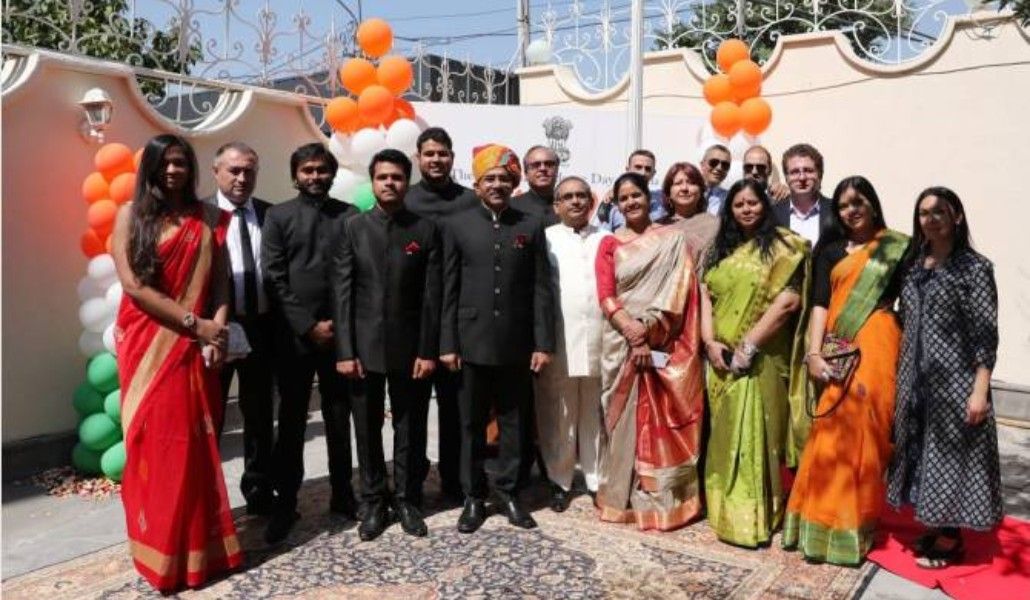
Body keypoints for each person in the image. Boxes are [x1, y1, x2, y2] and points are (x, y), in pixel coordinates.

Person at [110, 134, 241, 591]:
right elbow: (134, 286)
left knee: (193, 446)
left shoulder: (209, 218)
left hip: (195, 344)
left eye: (180, 162)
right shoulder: (130, 216)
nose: (172, 170)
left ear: (191, 167)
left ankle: (200, 551)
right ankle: (161, 552)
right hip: (147, 342)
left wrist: (216, 331)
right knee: (157, 445)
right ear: (150, 168)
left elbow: (221, 282)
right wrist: (194, 324)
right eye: (164, 163)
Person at [782, 176, 910, 565]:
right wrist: (814, 353)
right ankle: (819, 520)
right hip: (837, 347)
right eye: (842, 205)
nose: (851, 210)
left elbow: (913, 302)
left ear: (872, 204)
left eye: (858, 202)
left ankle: (854, 523)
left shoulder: (896, 247)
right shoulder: (831, 250)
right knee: (830, 430)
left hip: (879, 345)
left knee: (867, 430)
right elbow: (820, 303)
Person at [439, 143, 555, 533]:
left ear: (513, 183)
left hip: (516, 345)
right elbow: (448, 288)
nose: (497, 185)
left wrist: (542, 343)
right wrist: (447, 343)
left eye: (504, 179)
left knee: (514, 423)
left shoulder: (529, 225)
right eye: (489, 179)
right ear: (477, 185)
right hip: (469, 343)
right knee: (470, 424)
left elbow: (541, 288)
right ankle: (473, 496)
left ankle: (508, 492)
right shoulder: (457, 225)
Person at [886, 187, 1002, 568]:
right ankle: (936, 524)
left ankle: (951, 538)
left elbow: (986, 334)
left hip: (956, 382)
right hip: (916, 378)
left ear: (957, 217)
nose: (930, 219)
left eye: (939, 211)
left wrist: (979, 391)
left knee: (952, 455)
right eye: (924, 213)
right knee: (924, 452)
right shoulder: (915, 263)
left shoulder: (974, 268)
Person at [334, 149, 442, 542]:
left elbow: (432, 297)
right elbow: (342, 293)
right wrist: (345, 351)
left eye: (397, 177)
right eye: (383, 177)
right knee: (366, 428)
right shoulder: (353, 228)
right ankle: (374, 501)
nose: (390, 183)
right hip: (362, 349)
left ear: (406, 181)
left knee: (409, 426)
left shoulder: (425, 230)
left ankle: (408, 499)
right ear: (373, 181)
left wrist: (427, 350)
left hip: (411, 349)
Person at [593, 172, 706, 531]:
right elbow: (605, 294)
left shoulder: (672, 240)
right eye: (624, 198)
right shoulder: (609, 243)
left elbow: (680, 293)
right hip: (620, 341)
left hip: (663, 341)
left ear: (649, 197)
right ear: (617, 204)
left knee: (659, 417)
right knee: (620, 419)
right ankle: (620, 497)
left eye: (636, 195)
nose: (631, 202)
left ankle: (662, 501)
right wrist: (632, 331)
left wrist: (649, 329)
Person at [701, 179, 810, 548]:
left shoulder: (785, 247)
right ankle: (724, 511)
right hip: (720, 360)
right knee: (724, 437)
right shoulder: (720, 249)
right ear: (729, 210)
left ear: (765, 205)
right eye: (739, 204)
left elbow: (788, 302)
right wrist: (709, 343)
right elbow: (706, 296)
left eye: (753, 203)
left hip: (759, 359)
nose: (746, 209)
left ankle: (753, 519)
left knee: (756, 439)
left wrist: (748, 347)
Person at [261, 143, 359, 544]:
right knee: (291, 422)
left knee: (339, 417)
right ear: (295, 176)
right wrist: (307, 326)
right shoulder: (278, 216)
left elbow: (357, 274)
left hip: (339, 336)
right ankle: (286, 502)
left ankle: (344, 494)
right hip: (293, 338)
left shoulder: (349, 216)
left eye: (322, 170)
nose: (315, 177)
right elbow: (274, 276)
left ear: (332, 174)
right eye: (307, 170)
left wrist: (337, 326)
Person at [404, 126, 475, 502]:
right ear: (418, 158)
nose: (436, 159)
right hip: (415, 321)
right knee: (413, 410)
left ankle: (455, 482)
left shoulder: (470, 201)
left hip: (459, 320)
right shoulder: (405, 199)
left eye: (442, 153)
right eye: (429, 153)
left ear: (452, 158)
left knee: (456, 410)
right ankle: (412, 486)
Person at [206, 141, 277, 516]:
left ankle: (259, 488)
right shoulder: (200, 216)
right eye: (234, 170)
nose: (242, 178)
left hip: (261, 328)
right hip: (214, 331)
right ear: (216, 171)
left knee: (260, 414)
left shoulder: (270, 214)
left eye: (249, 171)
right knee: (210, 417)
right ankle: (207, 498)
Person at [535, 176, 610, 512]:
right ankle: (560, 480)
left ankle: (596, 479)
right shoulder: (546, 238)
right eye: (568, 197)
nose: (576, 201)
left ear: (591, 203)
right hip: (559, 339)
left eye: (582, 196)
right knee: (559, 411)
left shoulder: (606, 238)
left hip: (600, 336)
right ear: (557, 205)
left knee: (595, 410)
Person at [656, 161, 719, 266]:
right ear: (668, 193)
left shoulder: (716, 225)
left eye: (691, 183)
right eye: (678, 183)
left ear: (701, 191)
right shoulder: (656, 227)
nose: (684, 188)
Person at [773, 143, 834, 245]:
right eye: (795, 172)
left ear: (820, 175)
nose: (802, 178)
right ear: (786, 178)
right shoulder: (772, 215)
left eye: (808, 171)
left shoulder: (836, 212)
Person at [593, 149, 666, 230]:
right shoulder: (612, 202)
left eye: (648, 169)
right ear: (627, 170)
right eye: (638, 167)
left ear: (653, 173)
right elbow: (601, 234)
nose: (643, 173)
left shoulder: (663, 198)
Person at [512, 145, 560, 225]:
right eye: (536, 165)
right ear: (526, 173)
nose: (542, 168)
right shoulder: (511, 207)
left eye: (549, 164)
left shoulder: (569, 206)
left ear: (557, 170)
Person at [699, 144, 732, 216]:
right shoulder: (687, 192)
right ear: (702, 165)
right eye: (713, 162)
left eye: (725, 165)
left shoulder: (731, 198)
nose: (719, 168)